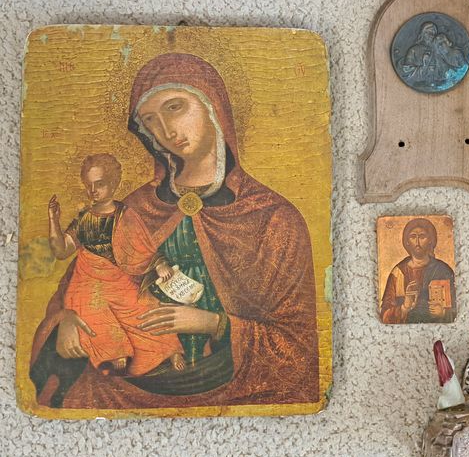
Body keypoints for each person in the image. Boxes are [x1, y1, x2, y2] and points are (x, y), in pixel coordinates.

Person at [30, 53, 319, 409]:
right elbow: (78, 282)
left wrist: (214, 324)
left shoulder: (273, 218)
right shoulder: (133, 208)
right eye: (151, 120)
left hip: (236, 387)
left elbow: (298, 350)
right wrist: (66, 321)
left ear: (213, 105)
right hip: (124, 383)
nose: (166, 131)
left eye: (175, 107)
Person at [48, 154, 184, 376]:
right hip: (88, 279)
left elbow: (144, 247)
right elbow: (61, 251)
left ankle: (169, 350)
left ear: (113, 184)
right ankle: (115, 352)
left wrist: (159, 264)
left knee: (144, 306)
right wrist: (54, 220)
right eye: (89, 185)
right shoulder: (83, 219)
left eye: (99, 184)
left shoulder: (125, 215)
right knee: (91, 308)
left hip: (119, 279)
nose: (93, 190)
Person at [380, 218, 456, 324]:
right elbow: (384, 316)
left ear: (430, 240)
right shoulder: (398, 273)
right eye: (412, 237)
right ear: (407, 241)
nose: (417, 242)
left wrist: (443, 313)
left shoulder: (443, 270)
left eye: (422, 237)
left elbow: (458, 308)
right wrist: (404, 307)